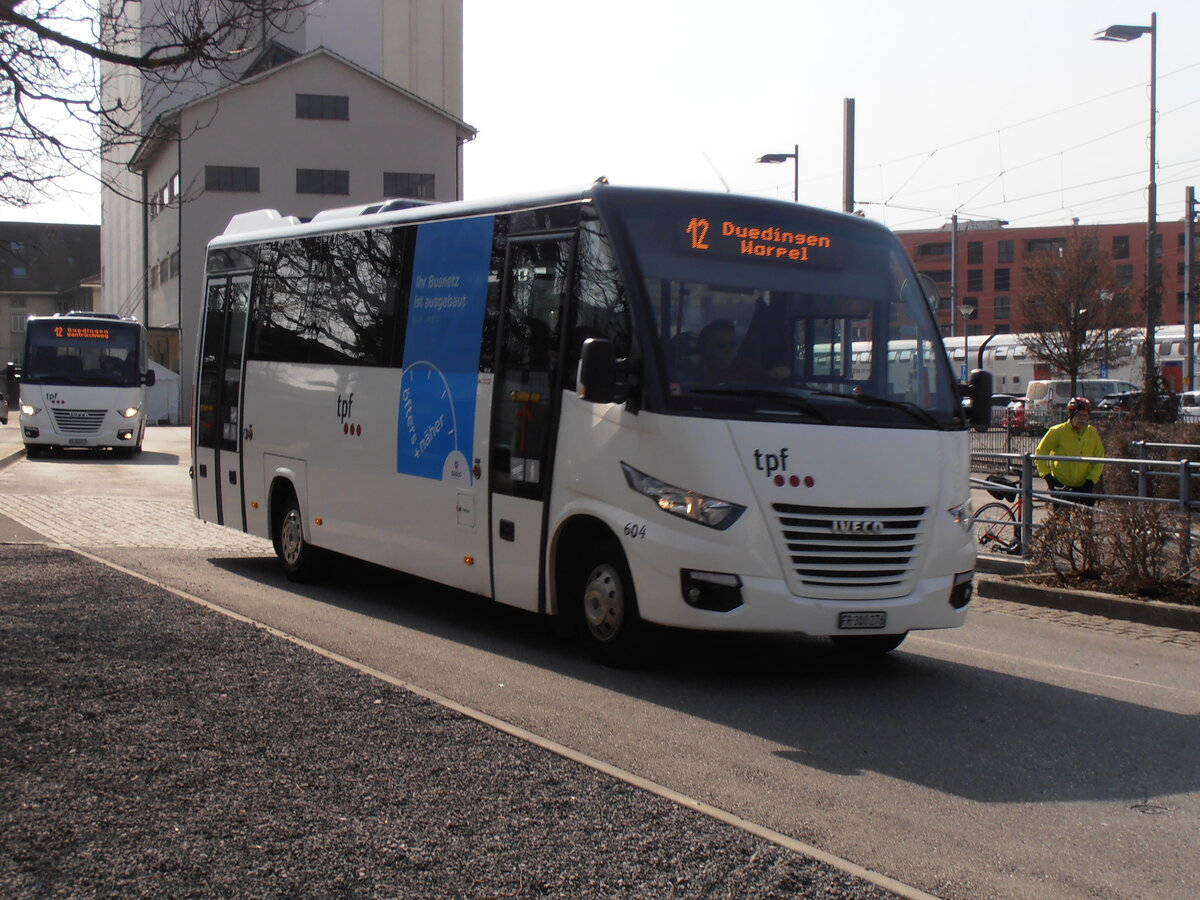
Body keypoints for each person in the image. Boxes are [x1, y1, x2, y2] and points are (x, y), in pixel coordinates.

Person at [1035, 396, 1104, 506]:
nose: (1082, 419)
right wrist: (1048, 477)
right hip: (1061, 485)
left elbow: (1099, 458)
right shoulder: (1057, 431)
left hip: (1084, 486)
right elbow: (1040, 453)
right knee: (1061, 520)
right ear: (1071, 414)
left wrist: (1091, 480)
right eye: (1079, 415)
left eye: (1085, 416)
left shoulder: (1092, 433)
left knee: (1085, 521)